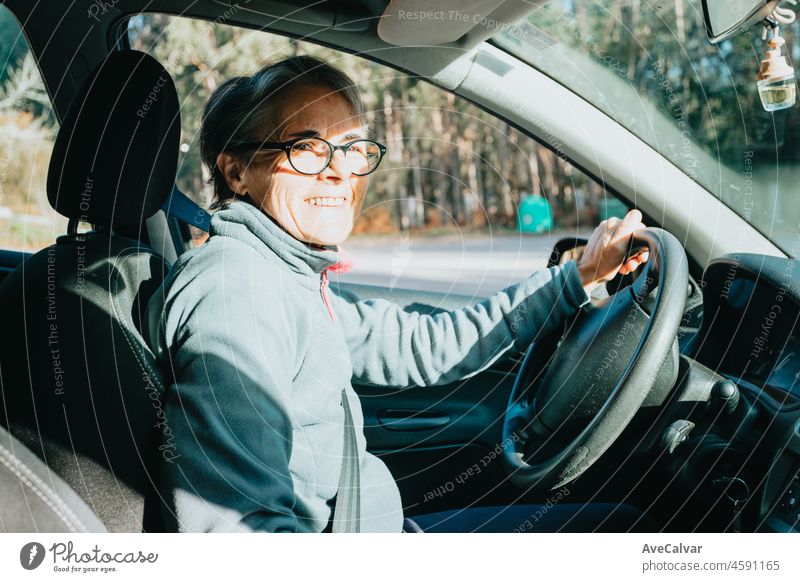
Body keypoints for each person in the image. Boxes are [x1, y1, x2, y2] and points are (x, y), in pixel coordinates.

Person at [145, 55, 650, 533]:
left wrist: (578, 277)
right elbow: (239, 533)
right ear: (237, 172)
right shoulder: (240, 291)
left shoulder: (287, 276)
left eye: (353, 149)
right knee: (628, 524)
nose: (341, 171)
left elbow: (424, 345)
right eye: (306, 147)